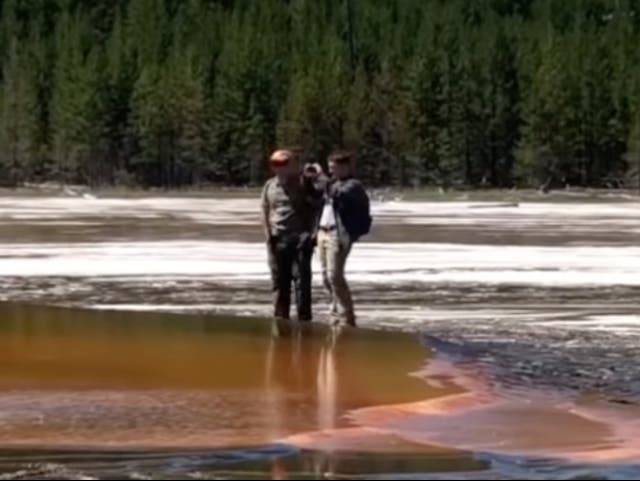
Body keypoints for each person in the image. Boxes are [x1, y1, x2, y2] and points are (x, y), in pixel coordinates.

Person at [261, 149, 322, 329]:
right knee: (279, 283)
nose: (279, 168)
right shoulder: (269, 186)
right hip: (277, 239)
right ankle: (281, 322)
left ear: (292, 165)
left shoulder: (304, 183)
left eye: (283, 164)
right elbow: (264, 211)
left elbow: (318, 204)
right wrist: (268, 235)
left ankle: (304, 323)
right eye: (275, 164)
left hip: (300, 239)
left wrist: (313, 233)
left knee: (302, 284)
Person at [316, 151, 372, 328]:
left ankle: (347, 316)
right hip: (322, 232)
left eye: (335, 168)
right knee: (325, 276)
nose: (332, 172)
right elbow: (317, 195)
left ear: (346, 167)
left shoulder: (353, 185)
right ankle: (335, 313)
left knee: (335, 275)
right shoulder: (332, 183)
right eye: (330, 168)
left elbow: (337, 194)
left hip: (338, 234)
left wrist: (322, 178)